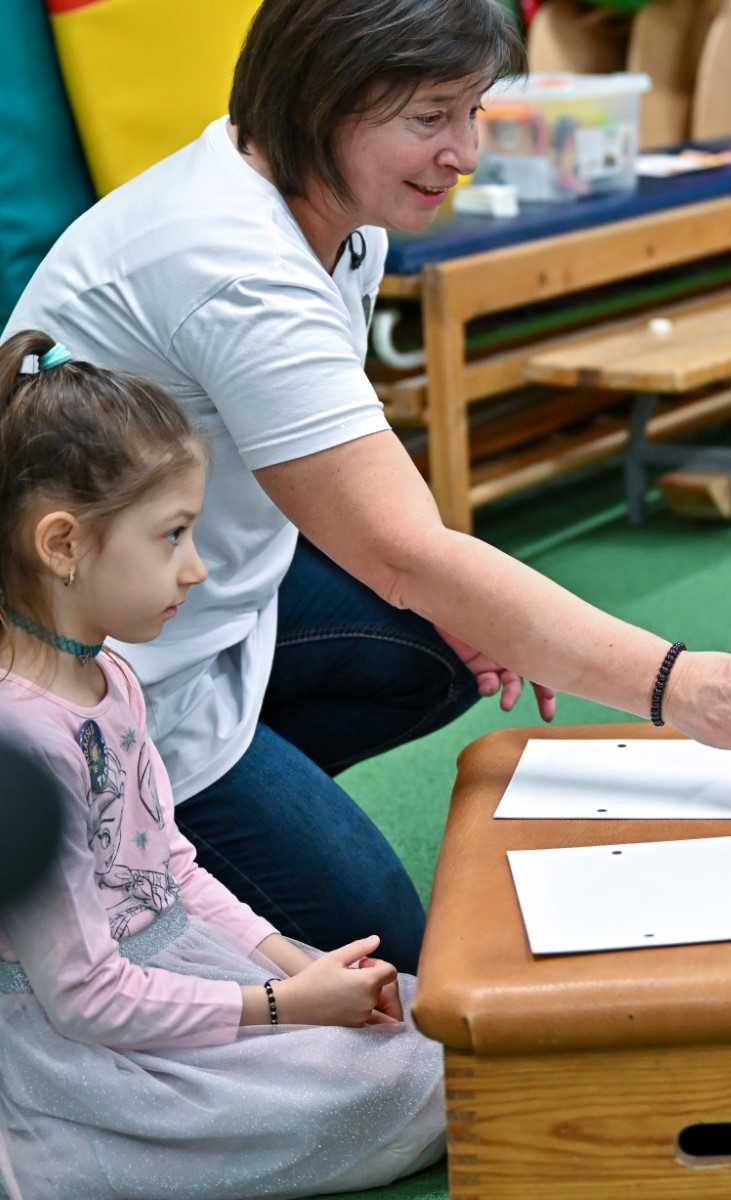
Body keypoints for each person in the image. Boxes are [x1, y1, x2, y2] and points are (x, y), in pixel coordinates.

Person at [3, 0, 731, 970]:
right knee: (399, 961)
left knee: (444, 644)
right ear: (322, 103)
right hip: (97, 671)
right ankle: (126, 831)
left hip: (194, 599)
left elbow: (353, 498)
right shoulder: (235, 264)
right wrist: (679, 684)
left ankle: (219, 812)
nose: (465, 153)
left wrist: (454, 596)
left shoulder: (328, 210)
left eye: (474, 112)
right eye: (431, 118)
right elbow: (404, 550)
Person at [0, 330, 444, 1200]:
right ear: (62, 545)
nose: (196, 568)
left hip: (172, 971)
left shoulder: (111, 674)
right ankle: (60, 1156)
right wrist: (284, 1007)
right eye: (171, 536)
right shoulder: (26, 739)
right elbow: (86, 998)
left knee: (433, 1016)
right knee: (403, 1080)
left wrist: (289, 958)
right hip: (85, 1049)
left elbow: (168, 866)